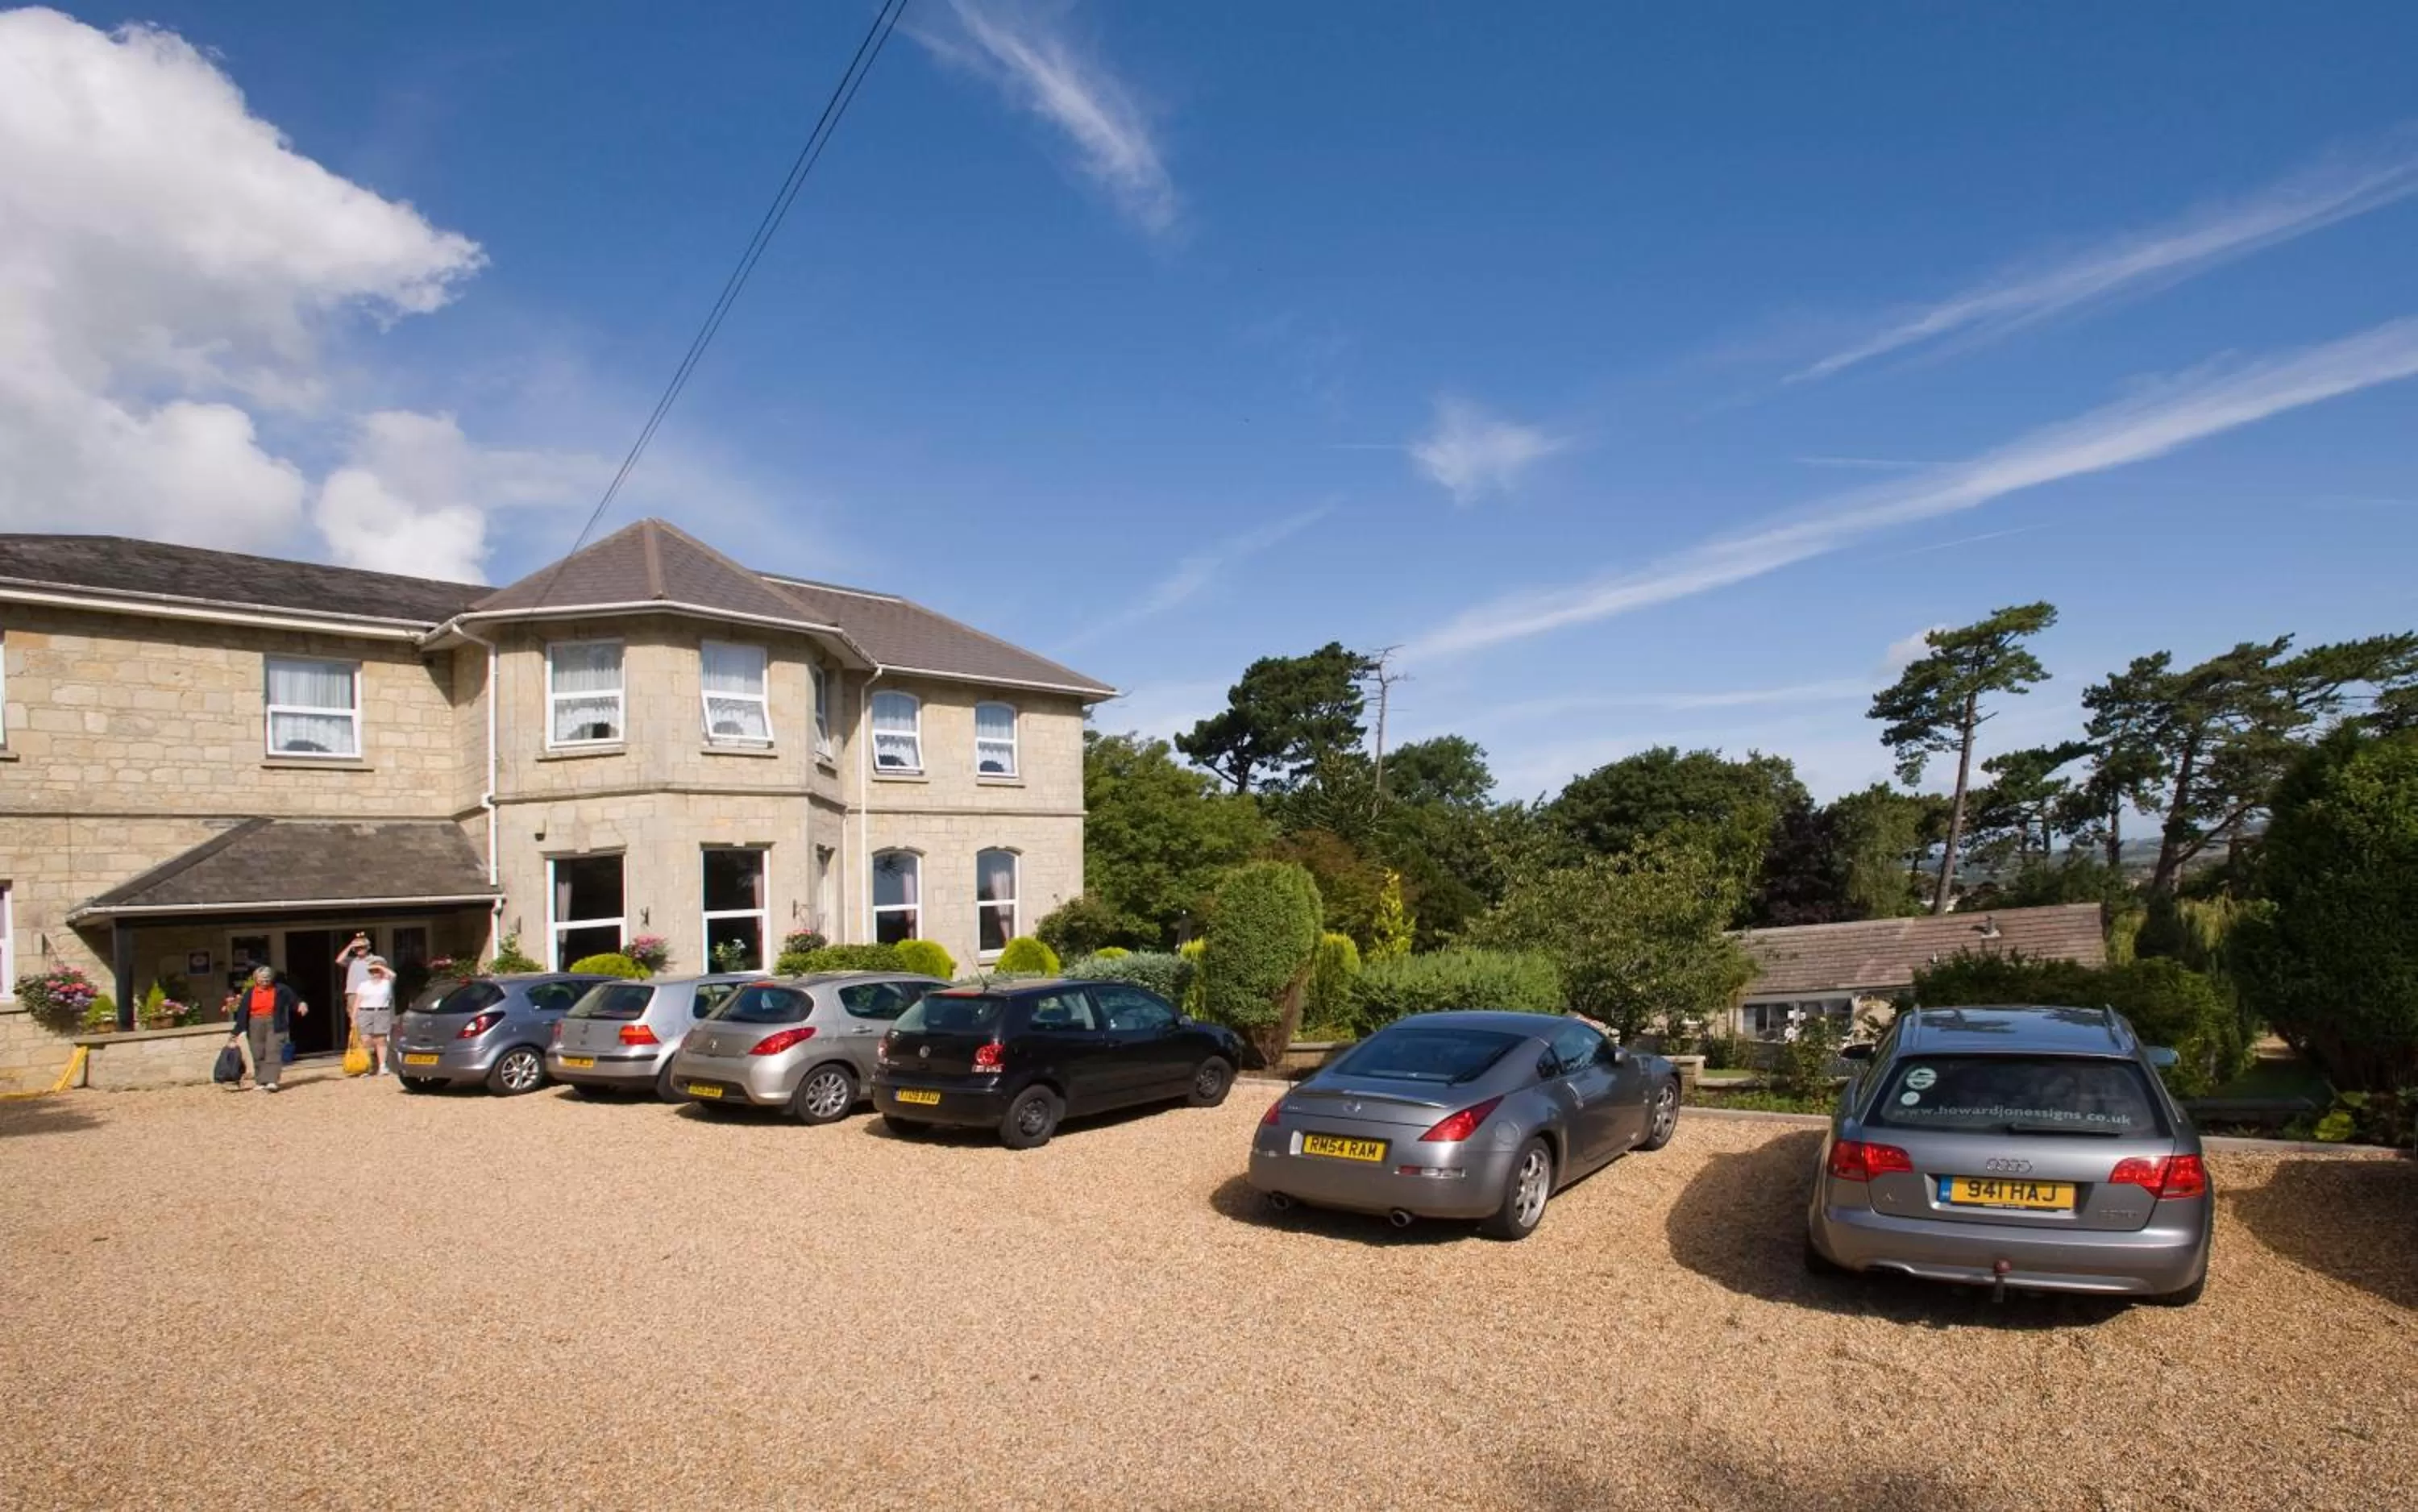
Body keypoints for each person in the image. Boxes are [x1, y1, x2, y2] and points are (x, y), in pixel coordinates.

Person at [226, 965, 307, 1092]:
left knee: (273, 1051)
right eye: (262, 978)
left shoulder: (280, 989)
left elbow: (294, 1000)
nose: (265, 981)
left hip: (274, 1022)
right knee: (258, 1052)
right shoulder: (250, 993)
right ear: (256, 979)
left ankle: (272, 1081)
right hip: (255, 1023)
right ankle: (261, 1081)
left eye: (268, 978)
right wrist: (235, 1032)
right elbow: (242, 1013)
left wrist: (301, 1004)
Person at [354, 956, 397, 1076]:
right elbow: (358, 1001)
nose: (375, 973)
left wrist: (380, 966)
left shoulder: (386, 983)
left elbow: (393, 975)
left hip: (381, 1012)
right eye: (372, 971)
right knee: (366, 1039)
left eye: (377, 971)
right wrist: (354, 1017)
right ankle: (366, 1065)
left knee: (381, 1039)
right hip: (365, 1012)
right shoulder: (364, 984)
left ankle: (382, 1066)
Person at [336, 933, 373, 1025]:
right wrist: (350, 946)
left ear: (368, 947)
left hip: (368, 993)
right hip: (353, 993)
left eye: (362, 947)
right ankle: (357, 1039)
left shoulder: (374, 960)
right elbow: (339, 960)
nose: (359, 950)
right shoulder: (351, 960)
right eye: (357, 948)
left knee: (368, 1019)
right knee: (354, 1020)